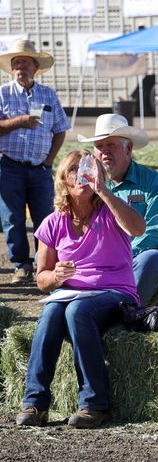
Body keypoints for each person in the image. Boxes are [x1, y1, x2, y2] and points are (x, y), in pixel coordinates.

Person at [15, 150, 145, 429]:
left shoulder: (110, 210)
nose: (82, 175)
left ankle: (94, 403)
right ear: (64, 179)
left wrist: (105, 191)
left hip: (115, 292)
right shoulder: (53, 222)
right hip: (70, 293)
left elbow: (137, 228)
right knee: (51, 312)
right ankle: (34, 402)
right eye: (75, 170)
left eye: (89, 168)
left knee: (76, 311)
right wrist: (56, 276)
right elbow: (41, 280)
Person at [79, 113, 158, 304]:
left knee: (152, 259)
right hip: (101, 257)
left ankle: (127, 311)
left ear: (128, 148)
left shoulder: (152, 182)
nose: (104, 152)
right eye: (99, 147)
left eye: (110, 145)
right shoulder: (87, 183)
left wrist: (121, 255)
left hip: (140, 255)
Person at [0, 40, 70, 284]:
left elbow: (61, 129)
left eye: (25, 62)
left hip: (40, 168)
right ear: (11, 69)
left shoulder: (48, 94)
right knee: (13, 219)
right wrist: (19, 121)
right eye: (16, 63)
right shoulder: (2, 93)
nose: (20, 67)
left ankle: (45, 265)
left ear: (35, 67)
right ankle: (21, 266)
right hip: (9, 166)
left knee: (45, 218)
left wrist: (49, 160)